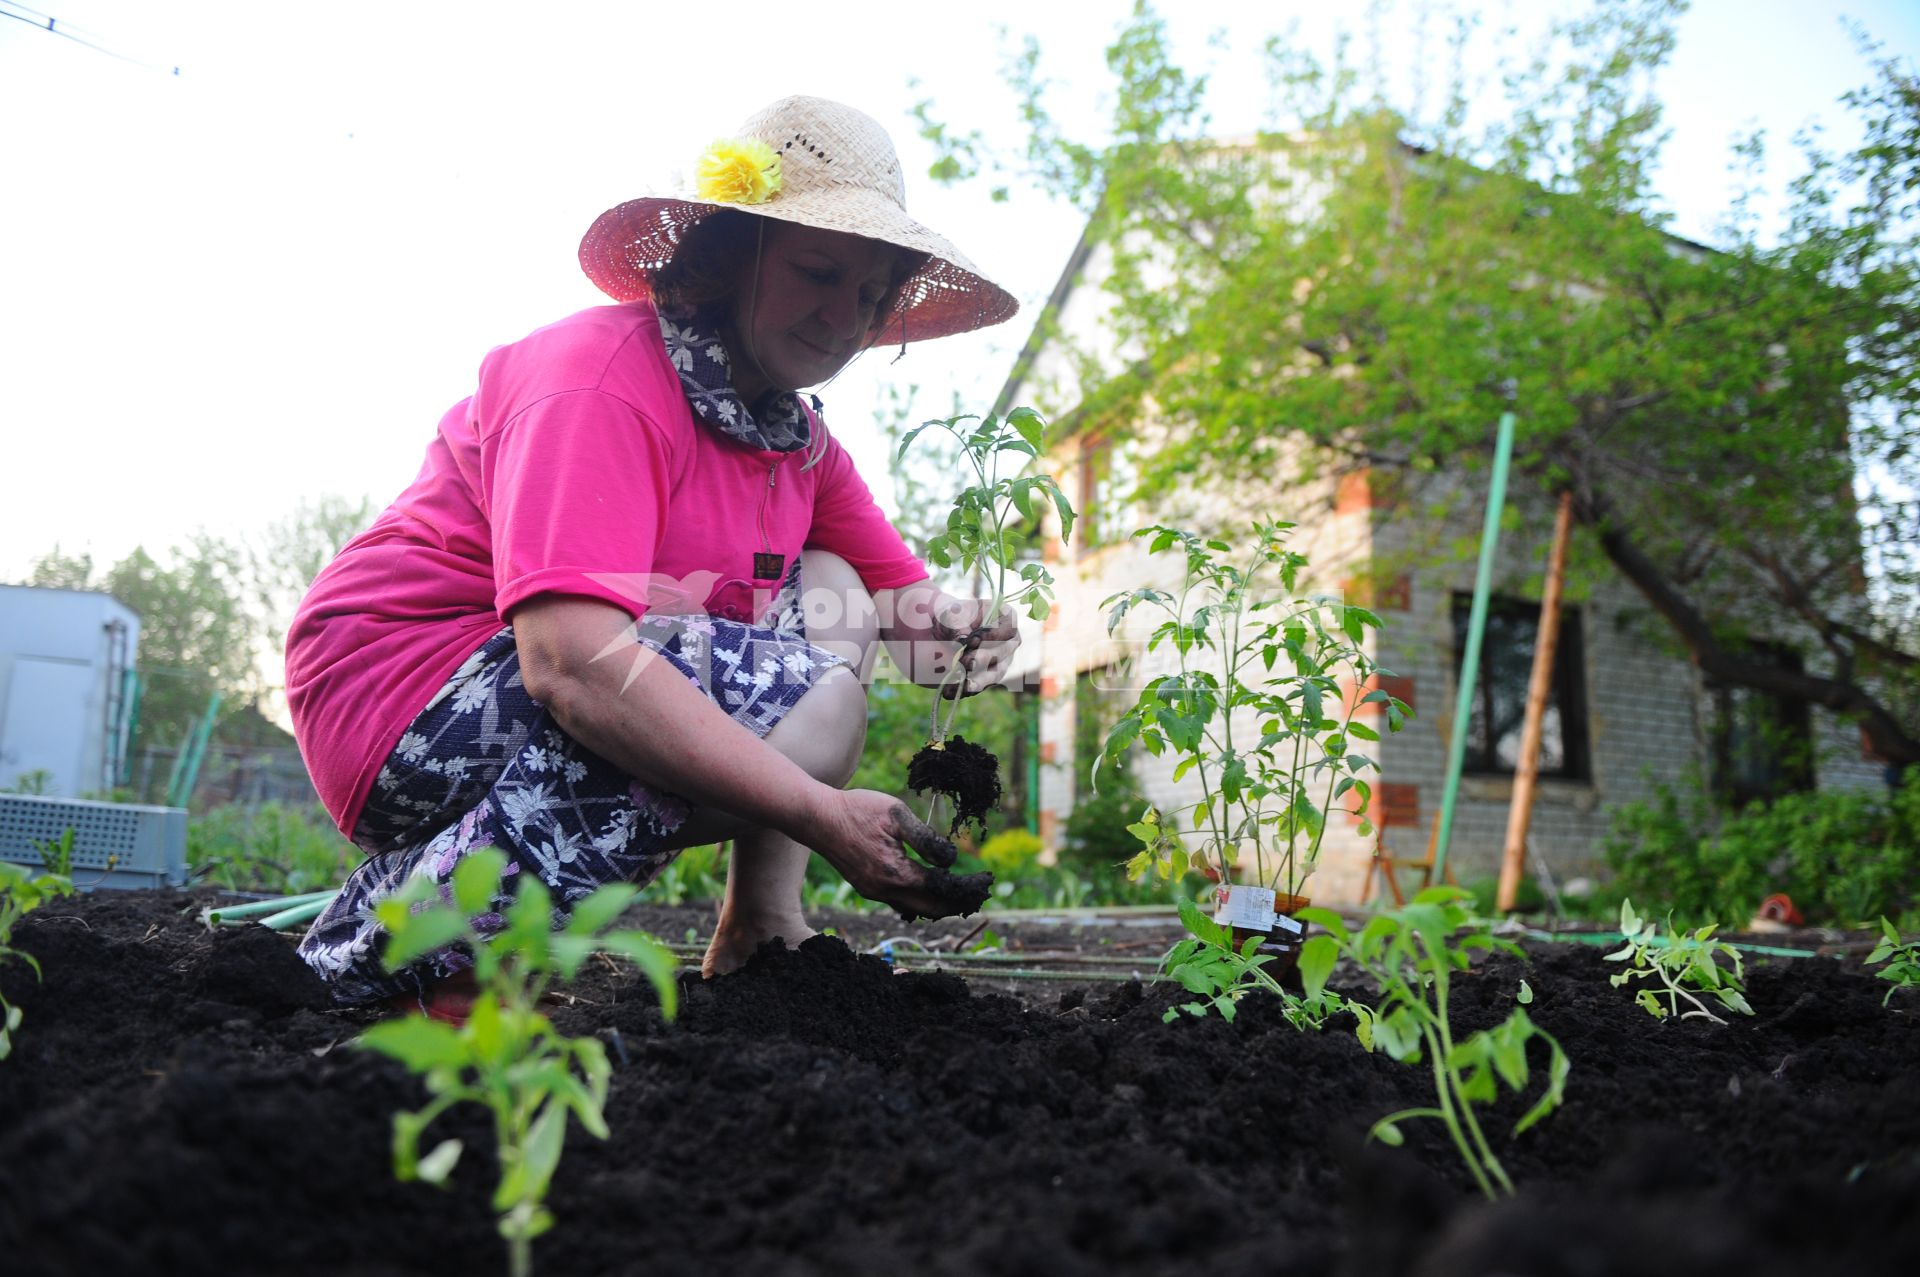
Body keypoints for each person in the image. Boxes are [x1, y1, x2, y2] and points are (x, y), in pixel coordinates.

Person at [285, 96, 1021, 1009]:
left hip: (530, 695)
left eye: (869, 297)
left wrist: (972, 631)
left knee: (834, 587)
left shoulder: (797, 444)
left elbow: (914, 629)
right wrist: (821, 812)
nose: (843, 318)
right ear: (733, 252)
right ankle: (411, 958)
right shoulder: (600, 380)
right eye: (820, 272)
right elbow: (572, 664)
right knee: (813, 706)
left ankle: (761, 923)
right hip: (404, 688)